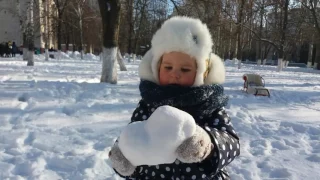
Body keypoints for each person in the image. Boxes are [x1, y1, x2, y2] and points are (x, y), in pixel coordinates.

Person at [109, 16, 240, 180]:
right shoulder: (148, 105)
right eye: (168, 67)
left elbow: (232, 143)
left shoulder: (209, 105)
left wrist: (207, 144)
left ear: (201, 74)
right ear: (157, 68)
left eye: (185, 69)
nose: (175, 74)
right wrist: (124, 156)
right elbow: (134, 136)